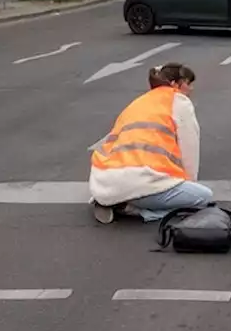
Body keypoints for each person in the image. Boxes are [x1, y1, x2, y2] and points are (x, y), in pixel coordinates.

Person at [89, 62, 212, 223]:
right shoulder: (179, 102)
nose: (191, 89)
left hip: (104, 182)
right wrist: (189, 186)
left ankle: (112, 200)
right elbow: (190, 149)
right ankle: (135, 210)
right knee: (204, 198)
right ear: (175, 84)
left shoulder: (139, 102)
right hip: (141, 184)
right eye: (188, 83)